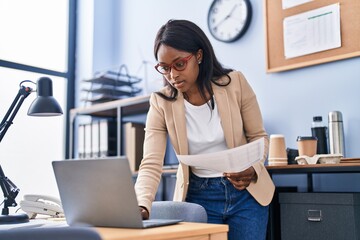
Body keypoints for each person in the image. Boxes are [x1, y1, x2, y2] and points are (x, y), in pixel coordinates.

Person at [134, 19, 275, 240]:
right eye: (165, 68)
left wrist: (253, 169)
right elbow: (151, 163)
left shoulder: (234, 83)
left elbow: (259, 136)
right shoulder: (161, 103)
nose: (172, 75)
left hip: (247, 194)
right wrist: (141, 205)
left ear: (199, 56)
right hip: (198, 198)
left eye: (179, 64)